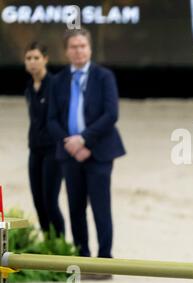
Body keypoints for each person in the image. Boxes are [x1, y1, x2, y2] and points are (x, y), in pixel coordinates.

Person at [48, 28, 126, 270]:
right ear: (66, 51)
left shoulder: (104, 77)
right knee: (75, 207)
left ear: (90, 48)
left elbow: (111, 114)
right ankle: (81, 258)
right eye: (73, 46)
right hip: (70, 155)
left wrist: (84, 141)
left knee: (101, 207)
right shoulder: (57, 80)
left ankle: (104, 261)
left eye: (82, 45)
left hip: (99, 153)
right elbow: (51, 119)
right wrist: (71, 144)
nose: (78, 50)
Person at [24, 42, 65, 236]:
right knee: (38, 202)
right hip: (35, 150)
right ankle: (49, 243)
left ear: (45, 60)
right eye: (29, 58)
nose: (32, 62)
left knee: (50, 202)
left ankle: (60, 245)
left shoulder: (56, 85)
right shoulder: (29, 89)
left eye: (36, 58)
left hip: (53, 150)